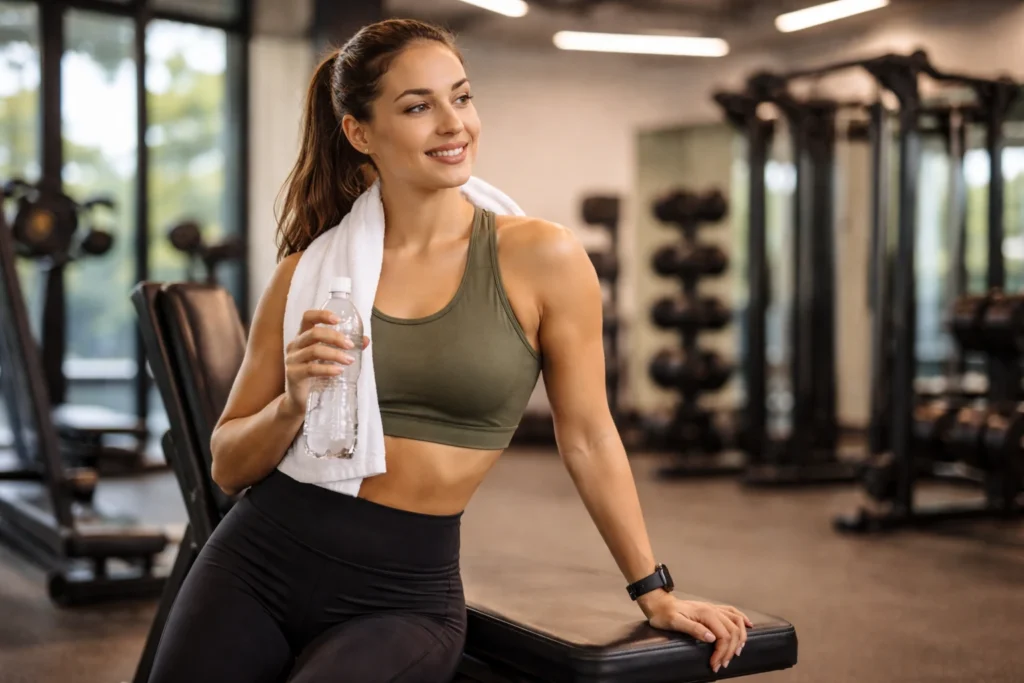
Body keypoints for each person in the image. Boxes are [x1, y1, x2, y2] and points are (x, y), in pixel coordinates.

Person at [147, 18, 751, 683]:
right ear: (360, 133)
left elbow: (588, 434)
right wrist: (294, 403)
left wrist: (653, 586)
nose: (452, 123)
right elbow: (228, 464)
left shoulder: (541, 258)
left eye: (460, 97)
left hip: (399, 595)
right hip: (258, 557)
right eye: (417, 106)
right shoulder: (307, 274)